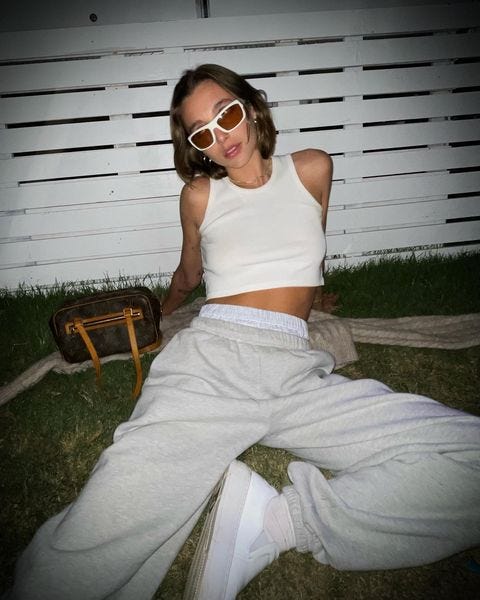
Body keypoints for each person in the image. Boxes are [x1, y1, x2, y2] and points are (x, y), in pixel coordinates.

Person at [5, 64, 480, 600]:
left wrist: (311, 296)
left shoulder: (312, 168)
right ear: (196, 147)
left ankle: (280, 523)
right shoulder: (200, 195)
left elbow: (310, 241)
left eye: (226, 114)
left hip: (297, 372)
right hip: (213, 362)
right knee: (107, 523)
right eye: (201, 133)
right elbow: (188, 274)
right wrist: (162, 311)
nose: (221, 135)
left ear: (251, 108)